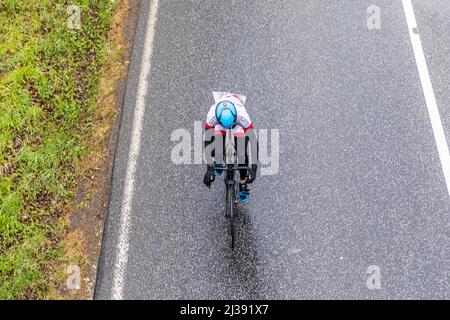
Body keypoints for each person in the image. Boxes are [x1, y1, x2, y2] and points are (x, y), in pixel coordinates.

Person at [203, 92, 258, 203]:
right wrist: (209, 167)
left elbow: (253, 141)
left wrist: (254, 168)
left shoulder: (242, 116)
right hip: (220, 123)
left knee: (242, 154)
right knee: (217, 146)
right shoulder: (212, 115)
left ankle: (243, 182)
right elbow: (207, 141)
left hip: (237, 124)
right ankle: (218, 160)